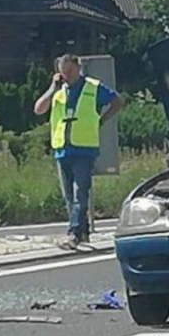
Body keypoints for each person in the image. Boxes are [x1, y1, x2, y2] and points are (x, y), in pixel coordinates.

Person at [33, 54, 125, 250]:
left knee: (79, 192)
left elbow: (118, 101)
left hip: (84, 149)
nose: (66, 74)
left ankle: (74, 234)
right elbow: (39, 109)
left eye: (69, 70)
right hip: (62, 149)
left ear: (78, 68)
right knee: (69, 195)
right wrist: (52, 88)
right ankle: (82, 232)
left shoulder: (92, 87)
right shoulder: (58, 91)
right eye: (62, 71)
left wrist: (101, 119)